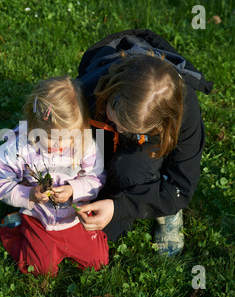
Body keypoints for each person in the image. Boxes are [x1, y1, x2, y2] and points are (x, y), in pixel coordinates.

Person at [75, 29, 214, 256]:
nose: (120, 128)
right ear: (109, 92)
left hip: (141, 159)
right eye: (115, 119)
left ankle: (166, 210)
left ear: (163, 122)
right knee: (79, 228)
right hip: (99, 137)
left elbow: (181, 185)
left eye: (127, 127)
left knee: (129, 175)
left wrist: (117, 207)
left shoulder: (184, 111)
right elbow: (48, 124)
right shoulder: (89, 88)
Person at [0, 76, 109, 276]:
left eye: (69, 138)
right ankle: (14, 228)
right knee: (39, 270)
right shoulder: (20, 146)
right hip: (39, 218)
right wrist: (29, 194)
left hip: (74, 219)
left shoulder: (85, 143)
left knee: (98, 262)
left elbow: (97, 177)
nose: (60, 146)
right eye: (52, 139)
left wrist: (73, 189)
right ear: (34, 126)